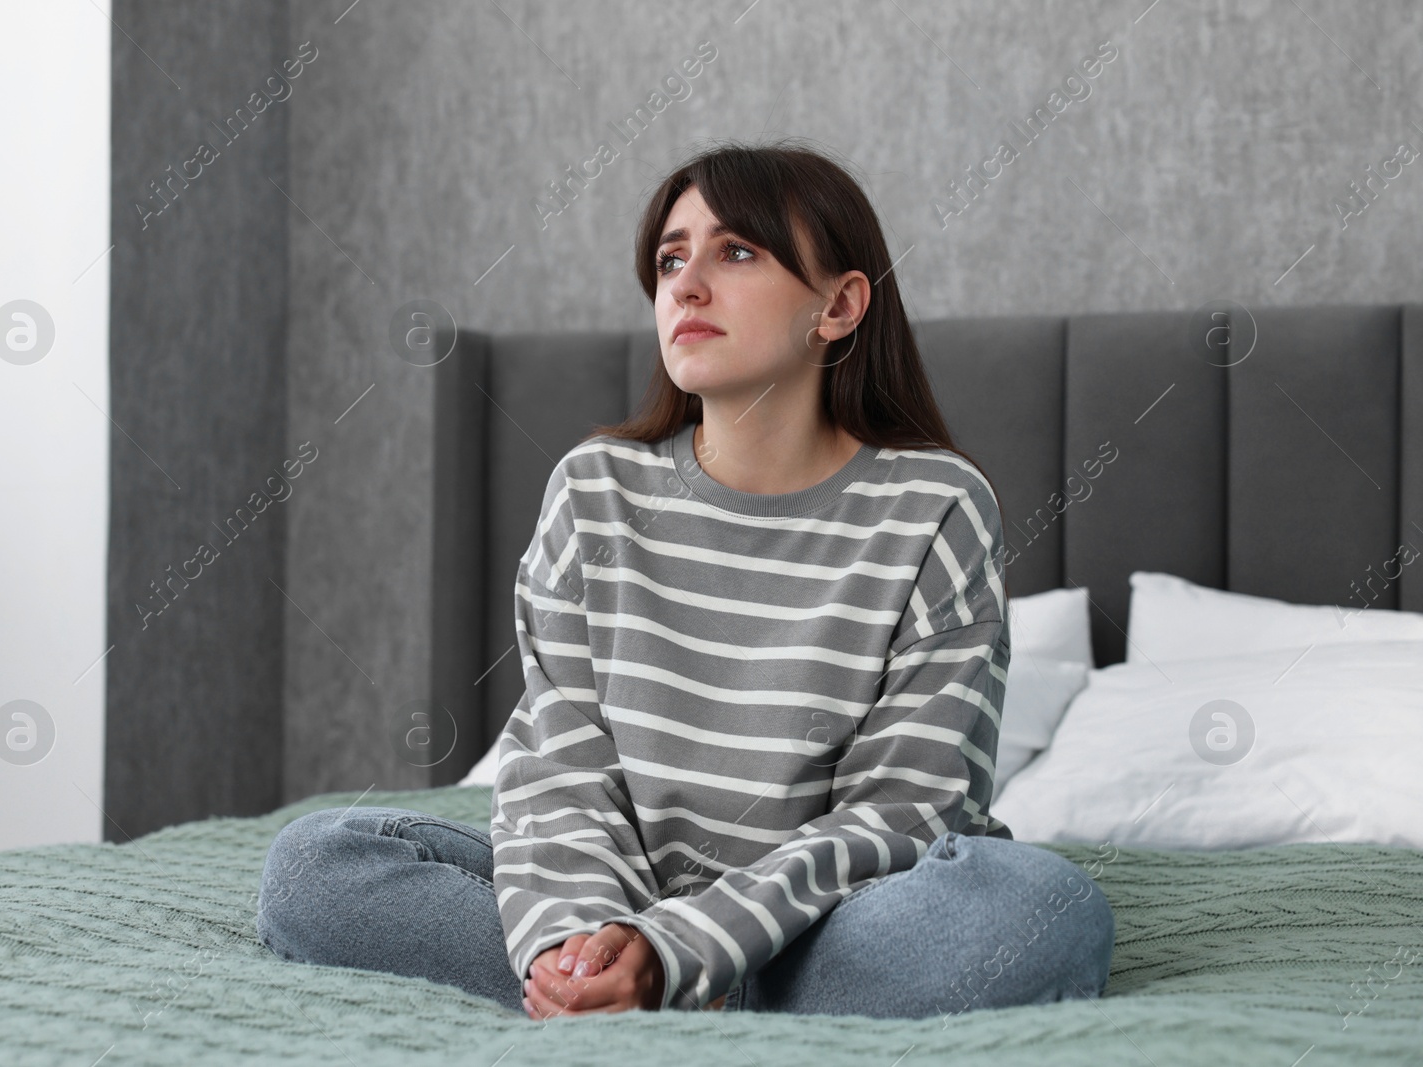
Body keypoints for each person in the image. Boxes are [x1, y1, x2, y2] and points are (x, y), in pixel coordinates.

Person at [255, 139, 1115, 1022]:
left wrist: (682, 951)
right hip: (617, 903)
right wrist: (574, 935)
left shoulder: (937, 506)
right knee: (315, 867)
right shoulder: (595, 490)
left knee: (1039, 908)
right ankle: (603, 984)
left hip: (824, 922)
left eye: (735, 251)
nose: (687, 284)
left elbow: (904, 812)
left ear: (840, 304)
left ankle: (660, 993)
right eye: (671, 259)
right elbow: (563, 768)